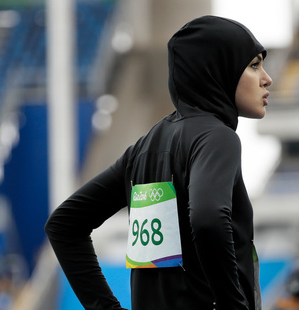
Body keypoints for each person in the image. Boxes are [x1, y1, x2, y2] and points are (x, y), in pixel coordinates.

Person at [45, 15, 273, 310]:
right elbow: (207, 220)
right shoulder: (218, 138)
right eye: (254, 65)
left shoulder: (144, 148)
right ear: (218, 70)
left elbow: (64, 224)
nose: (267, 78)